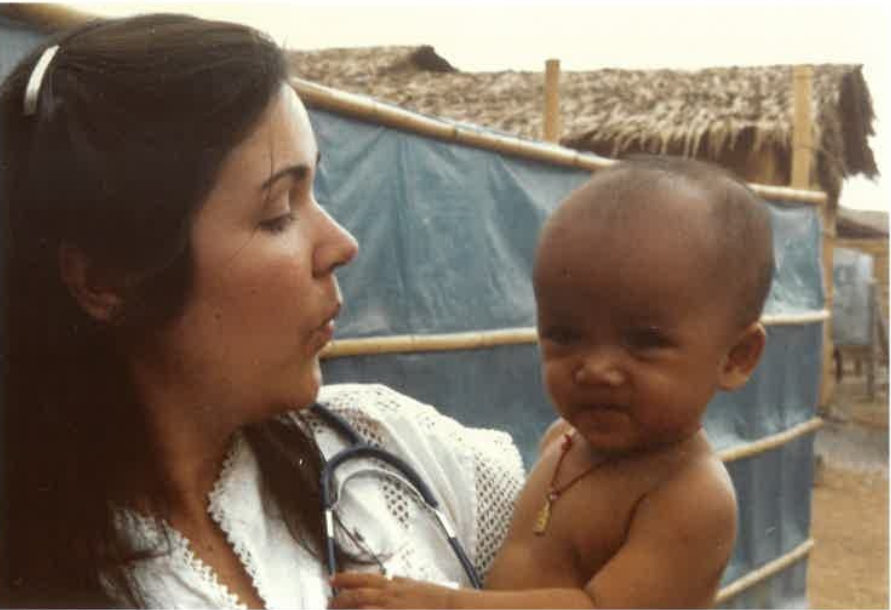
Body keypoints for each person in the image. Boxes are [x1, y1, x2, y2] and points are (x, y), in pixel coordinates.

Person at [0, 14, 525, 608]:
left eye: (315, 191)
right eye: (278, 212)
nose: (342, 244)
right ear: (105, 280)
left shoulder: (392, 453)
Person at [329, 156, 774, 609]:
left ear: (736, 357)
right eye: (566, 336)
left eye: (644, 342)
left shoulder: (690, 495)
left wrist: (446, 605)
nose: (597, 368)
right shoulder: (561, 441)